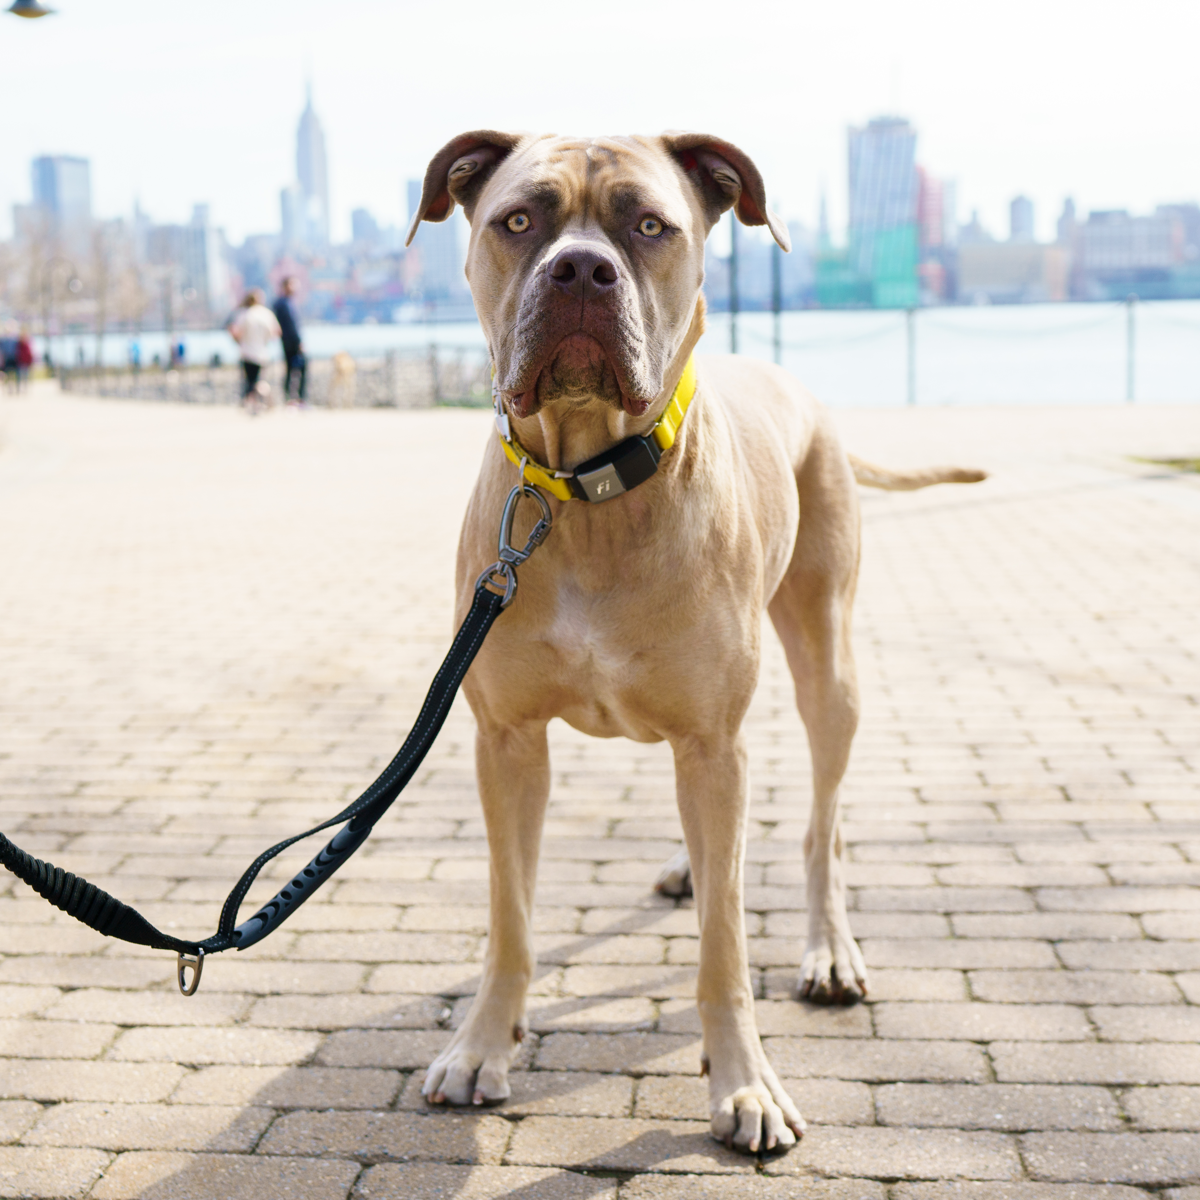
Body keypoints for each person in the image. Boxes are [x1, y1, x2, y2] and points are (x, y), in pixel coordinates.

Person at [227, 289, 281, 412]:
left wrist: (239, 342)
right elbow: (276, 332)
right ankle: (263, 399)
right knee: (260, 379)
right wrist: (265, 340)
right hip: (263, 352)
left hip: (246, 352)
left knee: (250, 381)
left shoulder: (244, 314)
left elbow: (235, 331)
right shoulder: (267, 314)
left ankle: (252, 403)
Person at [272, 276, 305, 403]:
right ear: (286, 286)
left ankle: (292, 398)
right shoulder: (283, 303)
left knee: (292, 369)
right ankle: (296, 399)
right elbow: (290, 326)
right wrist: (299, 342)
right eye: (293, 284)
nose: (296, 288)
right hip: (290, 342)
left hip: (288, 341)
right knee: (296, 369)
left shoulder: (287, 302)